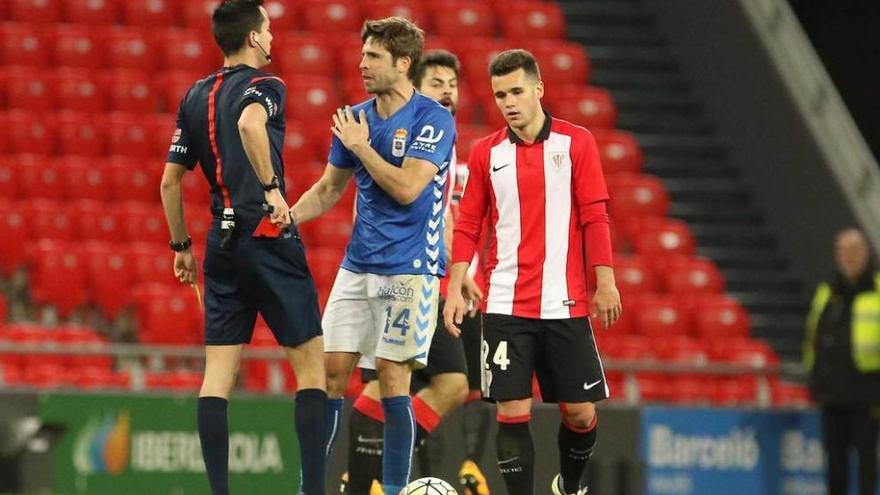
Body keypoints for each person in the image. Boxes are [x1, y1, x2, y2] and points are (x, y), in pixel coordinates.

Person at [158, 2, 326, 494]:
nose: (273, 38)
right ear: (253, 37)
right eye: (269, 29)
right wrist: (274, 190)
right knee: (311, 369)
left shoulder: (194, 94)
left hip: (220, 243)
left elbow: (170, 183)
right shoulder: (266, 86)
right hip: (267, 236)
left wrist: (181, 246)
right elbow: (252, 126)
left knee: (217, 379)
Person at [443, 49, 622, 495]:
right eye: (500, 94)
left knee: (579, 413)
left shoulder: (576, 143)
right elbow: (468, 223)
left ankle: (571, 485)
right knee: (511, 411)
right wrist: (454, 285)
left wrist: (606, 281)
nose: (509, 101)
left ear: (539, 89)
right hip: (504, 303)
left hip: (565, 302)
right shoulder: (486, 153)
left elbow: (594, 215)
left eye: (517, 91)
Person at [289, 17, 456, 495]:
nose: (361, 64)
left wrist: (362, 146)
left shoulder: (433, 118)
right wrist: (289, 218)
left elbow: (407, 188)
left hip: (410, 270)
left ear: (403, 63)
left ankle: (398, 488)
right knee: (329, 375)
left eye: (373, 57)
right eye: (362, 55)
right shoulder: (356, 117)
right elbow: (328, 189)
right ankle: (310, 488)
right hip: (357, 266)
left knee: (391, 377)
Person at [339, 49, 491, 495]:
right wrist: (454, 268)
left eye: (452, 84)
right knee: (443, 383)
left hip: (431, 281)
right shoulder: (408, 138)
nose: (446, 92)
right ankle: (373, 471)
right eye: (435, 84)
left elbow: (444, 214)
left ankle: (363, 476)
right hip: (411, 280)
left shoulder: (448, 141)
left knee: (408, 385)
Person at [804, 227, 880, 495]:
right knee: (834, 463)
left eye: (854, 250)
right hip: (833, 394)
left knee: (867, 462)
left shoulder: (878, 290)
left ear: (866, 253)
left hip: (868, 394)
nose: (849, 257)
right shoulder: (827, 292)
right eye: (843, 251)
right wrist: (814, 379)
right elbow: (814, 336)